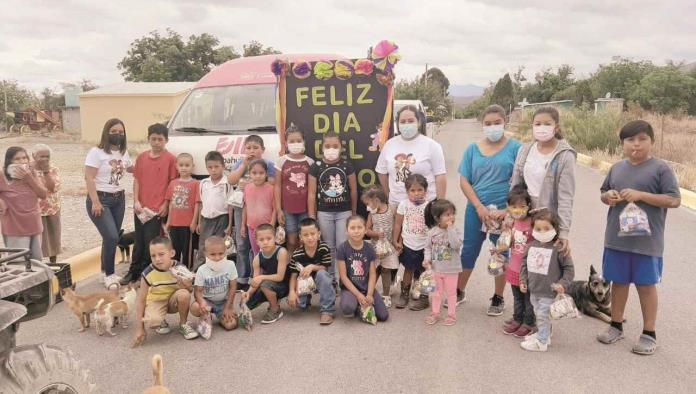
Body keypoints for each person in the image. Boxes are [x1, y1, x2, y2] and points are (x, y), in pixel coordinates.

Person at [596, 120, 680, 356]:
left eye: (642, 139)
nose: (636, 144)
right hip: (616, 239)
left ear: (651, 141)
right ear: (623, 143)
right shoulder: (616, 168)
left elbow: (674, 200)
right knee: (619, 282)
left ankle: (649, 333)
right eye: (630, 140)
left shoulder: (661, 169)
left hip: (647, 242)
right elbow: (603, 192)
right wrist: (608, 197)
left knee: (645, 285)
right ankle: (616, 325)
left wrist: (641, 195)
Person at [457, 104, 522, 316]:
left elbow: (522, 182)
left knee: (500, 252)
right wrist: (478, 206)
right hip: (476, 211)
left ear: (505, 123)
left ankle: (498, 297)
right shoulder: (472, 150)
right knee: (469, 251)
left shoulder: (516, 149)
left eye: (497, 123)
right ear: (482, 124)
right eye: (488, 123)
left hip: (503, 213)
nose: (492, 127)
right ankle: (459, 290)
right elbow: (464, 180)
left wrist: (508, 211)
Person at [511, 106, 576, 258]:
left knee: (543, 267)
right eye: (537, 124)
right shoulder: (525, 150)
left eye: (547, 124)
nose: (542, 128)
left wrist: (564, 232)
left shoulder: (565, 156)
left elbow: (566, 197)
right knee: (521, 264)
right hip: (523, 217)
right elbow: (515, 187)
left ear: (556, 127)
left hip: (547, 222)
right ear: (532, 126)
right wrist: (511, 216)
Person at [123, 124, 178, 284]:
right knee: (138, 240)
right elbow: (137, 181)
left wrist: (166, 204)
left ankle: (146, 274)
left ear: (166, 140)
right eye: (153, 139)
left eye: (160, 139)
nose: (156, 142)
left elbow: (172, 184)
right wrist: (136, 201)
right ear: (148, 139)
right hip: (141, 208)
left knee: (151, 243)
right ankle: (133, 272)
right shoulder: (141, 158)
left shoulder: (171, 159)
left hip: (157, 210)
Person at [84, 118, 133, 289]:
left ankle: (104, 272)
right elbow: (89, 177)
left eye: (121, 132)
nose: (117, 135)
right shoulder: (96, 152)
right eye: (114, 132)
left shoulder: (123, 153)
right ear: (106, 132)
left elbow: (131, 168)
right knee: (112, 236)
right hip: (101, 199)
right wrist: (95, 202)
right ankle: (111, 275)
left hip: (118, 199)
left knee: (110, 237)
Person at [519, 210, 575, 352]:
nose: (542, 232)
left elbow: (569, 269)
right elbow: (524, 265)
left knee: (543, 316)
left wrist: (562, 284)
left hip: (549, 292)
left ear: (555, 229)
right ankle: (545, 333)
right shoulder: (531, 246)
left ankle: (541, 342)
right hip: (534, 290)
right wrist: (523, 280)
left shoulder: (559, 248)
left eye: (546, 228)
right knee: (540, 314)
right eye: (538, 229)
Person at [308, 132, 357, 283]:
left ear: (341, 147)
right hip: (324, 213)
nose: (331, 149)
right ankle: (330, 280)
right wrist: (311, 216)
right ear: (322, 147)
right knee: (328, 247)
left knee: (343, 245)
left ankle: (343, 279)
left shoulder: (347, 165)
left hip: (344, 211)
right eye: (327, 146)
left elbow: (353, 190)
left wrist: (354, 212)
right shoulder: (316, 167)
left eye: (335, 146)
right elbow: (311, 193)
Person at [131, 236, 199, 347]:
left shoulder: (180, 268)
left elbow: (190, 290)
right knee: (153, 321)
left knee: (184, 294)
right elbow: (141, 300)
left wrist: (186, 285)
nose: (157, 259)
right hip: (156, 301)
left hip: (173, 300)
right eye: (153, 256)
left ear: (172, 253)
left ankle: (183, 324)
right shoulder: (147, 273)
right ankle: (161, 321)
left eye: (161, 254)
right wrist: (140, 329)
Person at [228, 135, 276, 287]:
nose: (252, 151)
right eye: (248, 148)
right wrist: (244, 165)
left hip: (263, 207)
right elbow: (231, 180)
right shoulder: (240, 163)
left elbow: (273, 182)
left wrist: (252, 181)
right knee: (242, 244)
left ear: (263, 150)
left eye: (255, 148)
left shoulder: (268, 164)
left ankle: (261, 275)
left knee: (261, 244)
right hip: (242, 207)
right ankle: (243, 277)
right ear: (244, 149)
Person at [376, 105, 447, 206]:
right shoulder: (389, 144)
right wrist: (389, 195)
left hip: (425, 206)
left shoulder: (432, 146)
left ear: (418, 122)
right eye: (403, 121)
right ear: (397, 124)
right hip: (397, 206)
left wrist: (441, 205)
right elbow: (381, 172)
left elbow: (440, 176)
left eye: (410, 121)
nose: (406, 124)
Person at [337, 215, 389, 322]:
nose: (356, 231)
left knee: (383, 316)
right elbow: (343, 276)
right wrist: (358, 295)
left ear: (365, 230)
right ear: (346, 231)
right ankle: (357, 305)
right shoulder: (342, 248)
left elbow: (373, 274)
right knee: (348, 308)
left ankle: (363, 304)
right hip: (350, 289)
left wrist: (369, 294)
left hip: (366, 288)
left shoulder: (369, 248)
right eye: (352, 228)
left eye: (359, 228)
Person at [0, 146, 47, 261]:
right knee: (19, 263)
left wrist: (28, 177)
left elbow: (43, 194)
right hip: (15, 227)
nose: (22, 161)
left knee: (37, 262)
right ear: (9, 161)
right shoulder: (2, 176)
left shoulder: (31, 173)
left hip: (34, 225)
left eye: (24, 158)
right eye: (17, 159)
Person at [501, 184, 536, 337]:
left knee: (528, 298)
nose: (518, 210)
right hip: (514, 267)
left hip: (528, 270)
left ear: (528, 206)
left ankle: (528, 323)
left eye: (522, 206)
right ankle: (517, 319)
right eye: (514, 206)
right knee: (517, 296)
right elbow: (509, 244)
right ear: (508, 207)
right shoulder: (512, 223)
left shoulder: (534, 224)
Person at [287, 218, 336, 325]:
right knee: (299, 305)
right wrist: (291, 292)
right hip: (305, 282)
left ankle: (327, 310)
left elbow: (325, 268)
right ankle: (306, 300)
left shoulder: (324, 248)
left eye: (313, 234)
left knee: (322, 274)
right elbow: (294, 276)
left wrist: (312, 267)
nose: (310, 237)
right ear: (300, 237)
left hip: (322, 281)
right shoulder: (297, 254)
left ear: (318, 234)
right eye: (306, 235)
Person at [393, 174, 430, 311]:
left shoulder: (429, 206)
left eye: (420, 190)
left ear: (425, 191)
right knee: (408, 269)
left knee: (425, 272)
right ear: (407, 191)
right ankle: (404, 294)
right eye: (412, 190)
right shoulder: (403, 205)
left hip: (425, 246)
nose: (416, 193)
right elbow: (398, 224)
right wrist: (395, 240)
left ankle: (424, 297)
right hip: (408, 244)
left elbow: (433, 227)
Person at [422, 199, 462, 326]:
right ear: (437, 218)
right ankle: (435, 313)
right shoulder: (432, 232)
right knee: (436, 293)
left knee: (451, 293)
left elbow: (456, 245)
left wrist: (450, 228)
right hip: (436, 269)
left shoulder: (456, 231)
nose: (451, 217)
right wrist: (427, 259)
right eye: (447, 215)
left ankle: (451, 315)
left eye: (452, 214)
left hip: (452, 269)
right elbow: (427, 247)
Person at [275, 125, 313, 253]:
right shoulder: (281, 161)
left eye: (298, 141)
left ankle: (306, 270)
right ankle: (293, 270)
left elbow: (313, 189)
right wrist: (279, 210)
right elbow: (277, 186)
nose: (295, 144)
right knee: (291, 241)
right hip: (288, 209)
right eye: (291, 141)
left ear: (304, 142)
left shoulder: (310, 162)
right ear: (286, 144)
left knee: (305, 241)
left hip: (305, 209)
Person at [190, 236, 239, 338]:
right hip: (208, 302)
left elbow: (233, 287)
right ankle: (206, 316)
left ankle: (221, 315)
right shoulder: (201, 270)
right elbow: (197, 292)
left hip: (223, 302)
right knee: (195, 307)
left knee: (231, 325)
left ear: (225, 251)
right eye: (212, 254)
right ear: (205, 253)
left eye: (221, 254)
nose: (217, 258)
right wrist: (202, 302)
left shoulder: (230, 265)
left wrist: (228, 307)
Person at [242, 223, 290, 324]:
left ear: (275, 238)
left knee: (264, 284)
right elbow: (255, 281)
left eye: (269, 238)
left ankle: (275, 309)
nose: (265, 242)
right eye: (262, 240)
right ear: (257, 242)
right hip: (270, 283)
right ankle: (269, 300)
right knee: (246, 303)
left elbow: (280, 277)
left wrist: (262, 277)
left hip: (286, 286)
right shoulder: (257, 258)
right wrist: (248, 293)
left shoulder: (281, 252)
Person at [362, 185, 398, 308]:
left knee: (386, 270)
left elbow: (398, 226)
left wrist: (396, 241)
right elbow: (367, 231)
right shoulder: (371, 214)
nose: (367, 207)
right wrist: (376, 234)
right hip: (375, 248)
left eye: (368, 203)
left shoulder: (392, 209)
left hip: (389, 248)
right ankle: (369, 293)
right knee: (374, 270)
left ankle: (386, 295)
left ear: (376, 200)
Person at [164, 153, 200, 269]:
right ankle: (174, 273)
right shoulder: (173, 183)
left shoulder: (195, 184)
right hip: (174, 224)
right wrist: (168, 221)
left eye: (187, 165)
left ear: (192, 166)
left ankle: (187, 273)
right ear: (176, 166)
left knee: (187, 252)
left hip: (187, 225)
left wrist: (194, 222)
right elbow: (170, 204)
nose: (184, 167)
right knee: (174, 251)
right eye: (181, 165)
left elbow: (197, 204)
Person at [196, 151, 232, 267]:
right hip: (206, 219)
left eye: (216, 167)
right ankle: (198, 273)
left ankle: (218, 272)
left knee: (219, 246)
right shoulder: (203, 183)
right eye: (210, 167)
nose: (213, 170)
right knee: (203, 246)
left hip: (222, 219)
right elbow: (201, 204)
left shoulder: (227, 183)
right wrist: (199, 222)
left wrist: (229, 225)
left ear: (223, 166)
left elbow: (231, 205)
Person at [32, 144, 60, 263]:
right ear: (34, 156)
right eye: (41, 156)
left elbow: (53, 188)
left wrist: (46, 172)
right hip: (34, 210)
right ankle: (38, 264)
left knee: (53, 238)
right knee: (37, 240)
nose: (45, 159)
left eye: (47, 156)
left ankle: (53, 264)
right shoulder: (28, 169)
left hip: (51, 208)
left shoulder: (53, 169)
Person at [242, 160, 276, 256]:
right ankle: (257, 271)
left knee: (268, 252)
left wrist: (272, 225)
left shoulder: (271, 188)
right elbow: (245, 206)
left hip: (267, 227)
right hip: (252, 227)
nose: (258, 176)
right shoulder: (247, 188)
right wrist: (242, 225)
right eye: (254, 173)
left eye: (261, 173)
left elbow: (275, 209)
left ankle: (269, 271)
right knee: (256, 253)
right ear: (249, 174)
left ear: (266, 174)